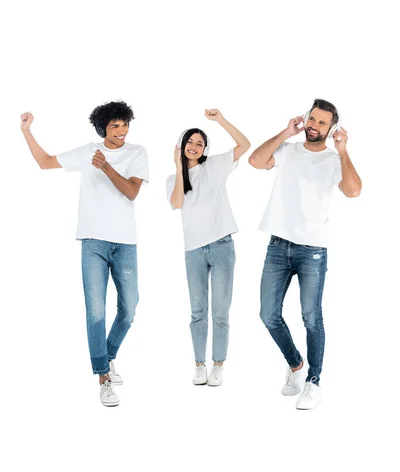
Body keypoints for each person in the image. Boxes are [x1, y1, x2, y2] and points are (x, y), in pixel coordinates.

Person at [20, 100, 149, 407]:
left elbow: (131, 192)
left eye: (125, 124)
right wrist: (27, 131)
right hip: (93, 242)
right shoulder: (87, 151)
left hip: (125, 243)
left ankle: (107, 355)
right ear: (102, 127)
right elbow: (45, 162)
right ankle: (103, 376)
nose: (121, 131)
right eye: (114, 126)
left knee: (129, 309)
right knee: (95, 311)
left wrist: (105, 166)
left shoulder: (137, 153)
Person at [249, 98, 361, 410]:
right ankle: (295, 365)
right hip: (277, 245)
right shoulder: (288, 150)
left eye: (322, 122)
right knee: (268, 314)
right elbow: (256, 161)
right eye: (312, 119)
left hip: (312, 249)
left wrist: (343, 150)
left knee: (311, 316)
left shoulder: (335, 159)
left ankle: (313, 381)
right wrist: (285, 133)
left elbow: (353, 191)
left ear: (331, 128)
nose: (314, 125)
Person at [167, 109, 250, 387]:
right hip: (193, 252)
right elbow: (177, 202)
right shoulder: (174, 179)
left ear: (204, 149)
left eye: (200, 143)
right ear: (182, 145)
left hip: (221, 246)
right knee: (198, 311)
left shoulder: (214, 166)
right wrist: (179, 169)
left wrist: (221, 121)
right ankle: (199, 365)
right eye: (190, 142)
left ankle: (218, 365)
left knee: (220, 312)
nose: (194, 146)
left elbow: (244, 146)